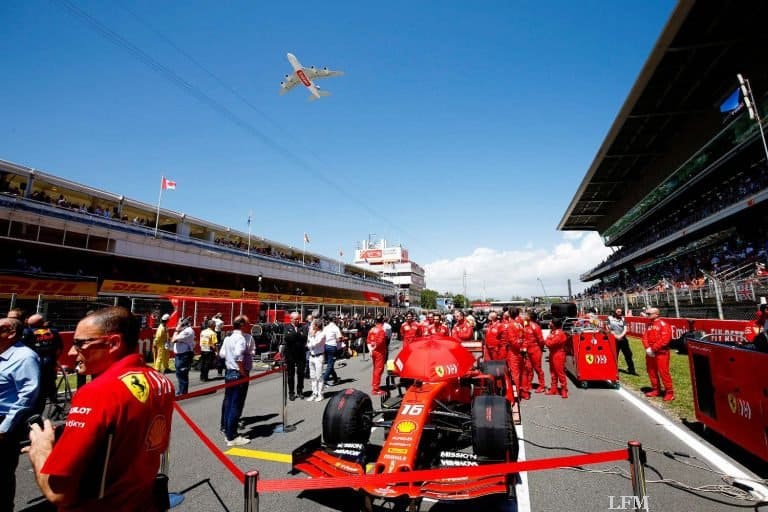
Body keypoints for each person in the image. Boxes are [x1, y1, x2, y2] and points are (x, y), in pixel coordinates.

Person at [27, 307, 174, 511]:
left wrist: (40, 449)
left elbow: (59, 493)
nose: (71, 352)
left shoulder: (97, 392)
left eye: (80, 344)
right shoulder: (162, 381)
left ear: (113, 343)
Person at [0, 317, 40, 512]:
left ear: (11, 333)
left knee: (2, 474)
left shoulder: (25, 357)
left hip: (4, 421)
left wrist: (4, 427)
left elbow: (27, 395)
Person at [219, 315, 252, 446]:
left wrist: (230, 357)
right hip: (237, 373)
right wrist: (243, 372)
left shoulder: (228, 338)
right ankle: (231, 436)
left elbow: (222, 354)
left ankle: (227, 431)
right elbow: (239, 357)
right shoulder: (241, 339)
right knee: (235, 405)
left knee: (228, 403)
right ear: (242, 325)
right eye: (247, 324)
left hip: (229, 372)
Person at [24, 313, 62, 414]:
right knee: (50, 385)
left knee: (37, 389)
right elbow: (59, 348)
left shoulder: (27, 332)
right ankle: (54, 405)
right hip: (50, 363)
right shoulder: (53, 331)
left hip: (34, 365)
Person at [641, 307, 674, 401]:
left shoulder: (664, 325)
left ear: (656, 314)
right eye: (647, 314)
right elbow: (644, 337)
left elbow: (665, 339)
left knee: (663, 372)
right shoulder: (649, 325)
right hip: (650, 353)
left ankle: (670, 392)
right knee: (651, 371)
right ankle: (656, 390)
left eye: (649, 314)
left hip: (661, 353)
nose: (647, 315)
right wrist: (647, 348)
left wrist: (653, 349)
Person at [282, 312, 307, 400]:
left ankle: (300, 391)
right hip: (290, 354)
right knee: (290, 374)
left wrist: (294, 335)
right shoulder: (286, 327)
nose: (297, 321)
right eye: (296, 319)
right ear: (291, 319)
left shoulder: (303, 327)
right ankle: (291, 392)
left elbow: (305, 338)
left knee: (300, 374)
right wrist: (298, 335)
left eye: (298, 319)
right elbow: (287, 338)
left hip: (300, 354)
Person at [171, 316, 196, 396]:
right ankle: (181, 390)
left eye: (180, 323)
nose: (178, 324)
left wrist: (176, 330)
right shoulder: (184, 330)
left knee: (182, 373)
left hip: (184, 355)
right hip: (180, 355)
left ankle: (183, 392)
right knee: (179, 373)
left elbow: (173, 340)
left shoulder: (188, 331)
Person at [545, 318, 568, 398]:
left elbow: (550, 343)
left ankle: (564, 390)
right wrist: (548, 340)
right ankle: (553, 389)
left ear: (554, 324)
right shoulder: (553, 332)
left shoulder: (559, 333)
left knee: (560, 373)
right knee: (553, 372)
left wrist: (547, 339)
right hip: (553, 354)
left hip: (558, 354)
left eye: (551, 322)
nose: (550, 323)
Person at [608, 308, 636, 374]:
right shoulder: (609, 318)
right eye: (618, 311)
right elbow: (609, 328)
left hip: (623, 339)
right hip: (614, 339)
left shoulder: (623, 319)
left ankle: (631, 369)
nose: (619, 313)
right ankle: (613, 368)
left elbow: (625, 328)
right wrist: (616, 336)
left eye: (620, 311)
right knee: (615, 354)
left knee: (628, 354)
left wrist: (621, 336)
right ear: (615, 312)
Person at [306, 319, 326, 401]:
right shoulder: (311, 333)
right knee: (312, 376)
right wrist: (311, 338)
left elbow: (314, 344)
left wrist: (312, 337)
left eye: (313, 325)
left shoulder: (322, 334)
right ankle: (314, 393)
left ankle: (320, 394)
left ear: (317, 326)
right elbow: (308, 344)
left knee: (319, 376)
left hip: (319, 357)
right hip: (311, 356)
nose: (311, 326)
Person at [367, 316, 387, 396]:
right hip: (379, 352)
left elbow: (368, 340)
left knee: (375, 369)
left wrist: (370, 350)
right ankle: (376, 389)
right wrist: (373, 348)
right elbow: (380, 342)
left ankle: (374, 385)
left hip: (373, 351)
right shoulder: (381, 330)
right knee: (378, 370)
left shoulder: (371, 329)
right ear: (382, 322)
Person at [322, 316, 343, 386]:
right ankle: (324, 379)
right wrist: (335, 339)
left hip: (325, 346)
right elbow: (339, 338)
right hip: (332, 346)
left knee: (330, 363)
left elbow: (323, 337)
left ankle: (336, 378)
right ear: (335, 321)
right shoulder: (336, 328)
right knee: (330, 365)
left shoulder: (326, 327)